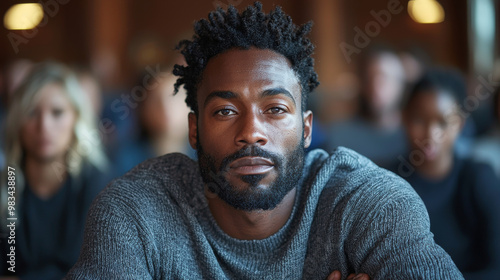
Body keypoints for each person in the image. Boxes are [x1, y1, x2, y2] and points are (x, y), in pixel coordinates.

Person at [66, 3, 463, 279]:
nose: (251, 131)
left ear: (307, 129)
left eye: (275, 109)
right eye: (224, 111)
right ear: (194, 130)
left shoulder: (365, 201)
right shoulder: (134, 211)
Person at [0, 62, 109, 279]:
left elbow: (89, 271)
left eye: (57, 112)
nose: (44, 126)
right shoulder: (7, 183)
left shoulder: (97, 184)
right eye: (31, 112)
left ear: (76, 119)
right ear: (17, 121)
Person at [392, 69, 500, 279]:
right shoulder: (387, 182)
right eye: (419, 120)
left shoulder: (478, 178)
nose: (431, 135)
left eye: (442, 123)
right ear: (404, 118)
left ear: (459, 125)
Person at [323, 45, 408, 168]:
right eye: (370, 78)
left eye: (385, 78)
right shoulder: (338, 138)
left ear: (401, 84)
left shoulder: (413, 137)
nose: (376, 86)